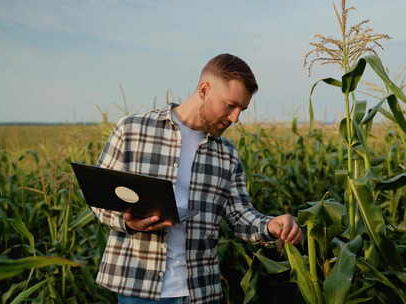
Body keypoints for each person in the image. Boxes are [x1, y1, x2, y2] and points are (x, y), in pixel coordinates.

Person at [91, 53, 302, 304]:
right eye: (230, 105)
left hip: (200, 290)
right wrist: (127, 222)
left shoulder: (227, 154)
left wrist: (271, 226)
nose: (236, 118)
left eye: (242, 109)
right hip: (138, 286)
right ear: (204, 89)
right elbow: (99, 198)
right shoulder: (132, 130)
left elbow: (241, 215)